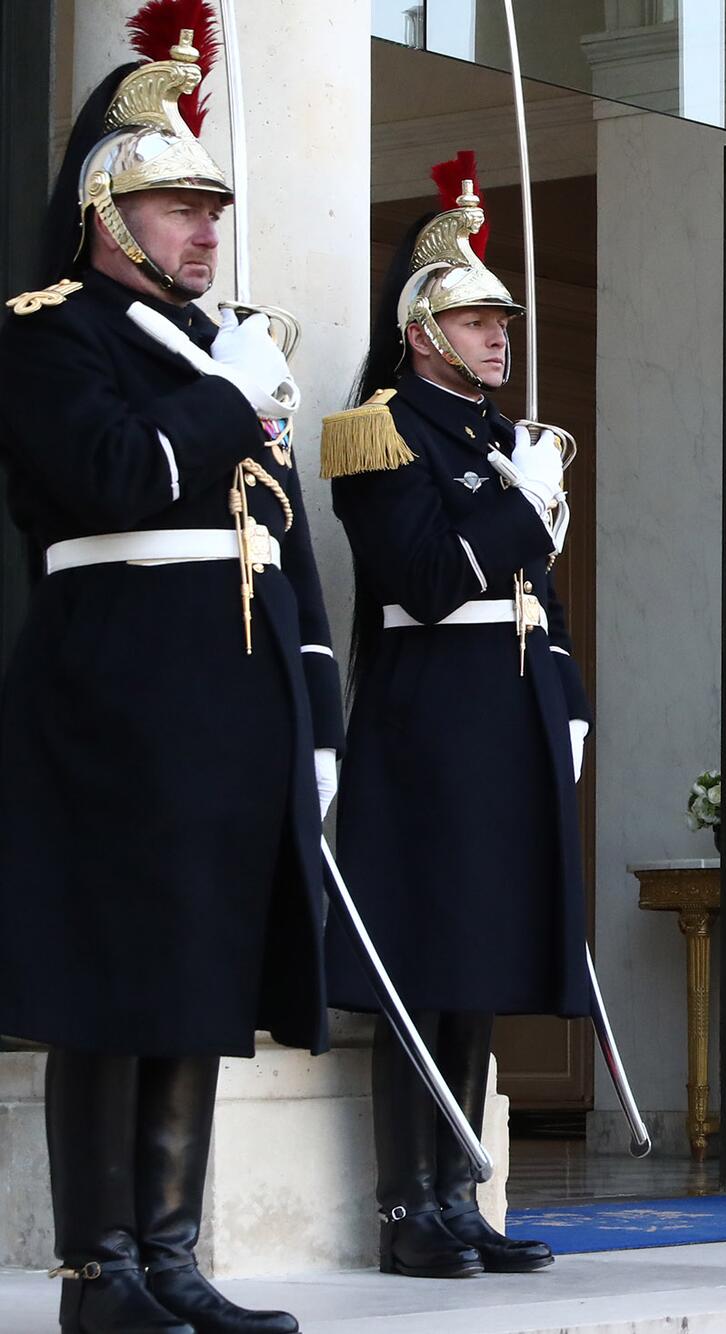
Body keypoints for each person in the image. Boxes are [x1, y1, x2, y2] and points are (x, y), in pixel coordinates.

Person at [0, 25, 335, 1334]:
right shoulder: (45, 334)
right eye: (175, 207)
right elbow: (112, 474)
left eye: (209, 209)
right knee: (114, 975)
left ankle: (173, 1250)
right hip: (113, 685)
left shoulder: (227, 350)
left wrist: (317, 707)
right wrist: (224, 394)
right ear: (106, 212)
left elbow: (282, 543)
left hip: (232, 691)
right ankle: (100, 1271)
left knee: (200, 974)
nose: (204, 233)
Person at [319, 154, 587, 1278]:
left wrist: (565, 692)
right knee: (422, 968)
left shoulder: (492, 436)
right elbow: (428, 579)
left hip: (508, 715)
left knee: (476, 966)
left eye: (502, 319)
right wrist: (526, 508)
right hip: (430, 721)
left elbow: (542, 598)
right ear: (421, 328)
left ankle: (458, 1189)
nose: (498, 335)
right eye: (475, 318)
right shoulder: (380, 431)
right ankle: (404, 1209)